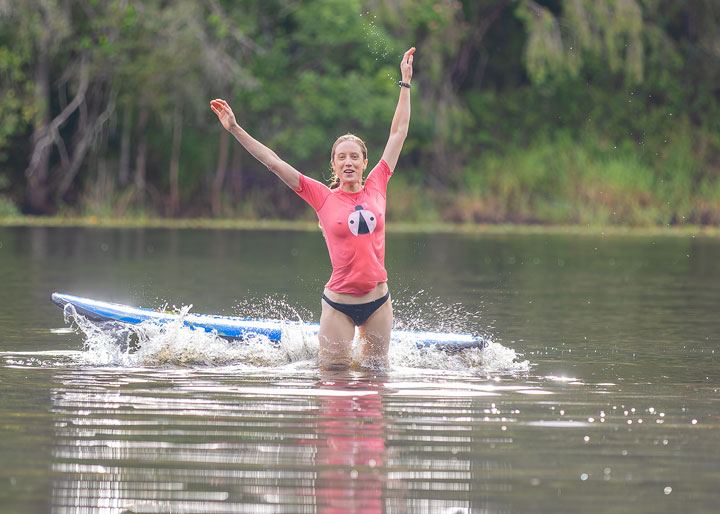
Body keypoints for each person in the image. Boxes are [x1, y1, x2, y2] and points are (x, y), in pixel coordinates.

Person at [211, 47, 415, 370]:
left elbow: (399, 132)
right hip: (339, 306)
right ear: (334, 164)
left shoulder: (379, 182)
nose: (348, 162)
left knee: (377, 383)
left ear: (364, 162)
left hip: (379, 303)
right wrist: (235, 128)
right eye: (341, 157)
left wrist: (405, 83)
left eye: (354, 157)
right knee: (333, 380)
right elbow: (274, 163)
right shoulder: (321, 196)